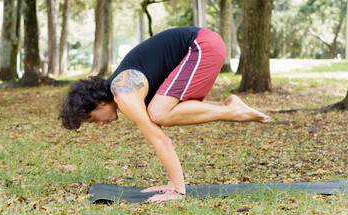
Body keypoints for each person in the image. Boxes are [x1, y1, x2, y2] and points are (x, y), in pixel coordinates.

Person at [60, 26, 269, 203]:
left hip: (203, 45)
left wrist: (177, 191)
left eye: (93, 118)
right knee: (158, 113)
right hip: (203, 45)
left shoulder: (124, 94)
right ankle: (229, 106)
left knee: (158, 113)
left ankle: (232, 110)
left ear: (98, 102)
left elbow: (161, 142)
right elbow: (158, 136)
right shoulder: (124, 90)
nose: (99, 124)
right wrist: (170, 182)